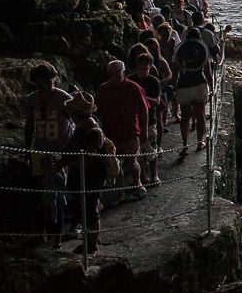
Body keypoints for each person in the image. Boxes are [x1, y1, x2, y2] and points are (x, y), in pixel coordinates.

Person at [23, 62, 74, 243]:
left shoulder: (63, 99)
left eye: (46, 82)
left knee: (58, 192)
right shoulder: (31, 100)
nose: (43, 86)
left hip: (60, 151)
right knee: (41, 192)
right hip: (40, 149)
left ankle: (59, 234)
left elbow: (75, 121)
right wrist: (27, 149)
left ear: (53, 80)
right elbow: (29, 125)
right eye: (39, 83)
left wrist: (71, 150)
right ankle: (41, 232)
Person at [63, 92, 109, 256]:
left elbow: (88, 158)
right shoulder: (82, 127)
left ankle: (91, 246)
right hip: (81, 174)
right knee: (83, 206)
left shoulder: (92, 131)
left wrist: (66, 162)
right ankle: (89, 242)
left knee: (89, 209)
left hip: (91, 175)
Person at [95, 60, 149, 199]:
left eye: (117, 73)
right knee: (115, 163)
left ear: (123, 72)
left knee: (131, 162)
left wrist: (144, 131)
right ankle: (120, 189)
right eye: (111, 74)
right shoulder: (103, 89)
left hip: (130, 132)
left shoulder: (133, 87)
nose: (114, 77)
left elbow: (144, 110)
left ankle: (137, 184)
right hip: (111, 133)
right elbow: (97, 111)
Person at [173, 28, 212, 156]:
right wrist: (211, 87)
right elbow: (207, 72)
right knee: (200, 115)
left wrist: (174, 86)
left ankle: (185, 145)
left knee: (185, 117)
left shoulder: (179, 51)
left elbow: (175, 71)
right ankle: (200, 142)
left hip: (183, 85)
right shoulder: (201, 50)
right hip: (199, 84)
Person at [128, 53, 165, 187]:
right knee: (137, 150)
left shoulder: (153, 81)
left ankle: (154, 174)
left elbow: (156, 102)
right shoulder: (130, 80)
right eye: (140, 65)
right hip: (134, 120)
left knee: (151, 148)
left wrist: (142, 97)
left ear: (150, 67)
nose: (142, 68)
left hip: (151, 120)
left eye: (145, 65)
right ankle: (143, 175)